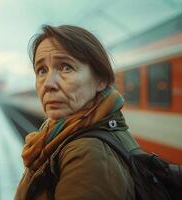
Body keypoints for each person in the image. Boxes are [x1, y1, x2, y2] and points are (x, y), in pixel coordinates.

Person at [15, 25, 139, 200]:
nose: (48, 83)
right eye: (41, 70)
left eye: (66, 67)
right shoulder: (54, 135)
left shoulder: (89, 155)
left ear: (100, 79)